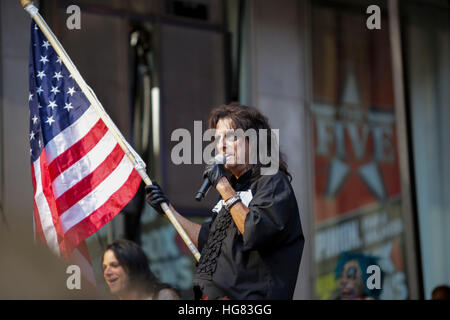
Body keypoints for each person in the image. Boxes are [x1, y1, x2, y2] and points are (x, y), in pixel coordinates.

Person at [146, 103, 305, 300]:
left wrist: (222, 185)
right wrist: (167, 210)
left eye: (230, 137)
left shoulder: (272, 181)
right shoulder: (233, 189)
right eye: (217, 139)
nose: (221, 145)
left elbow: (255, 231)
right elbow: (206, 239)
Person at [102, 239, 180, 300]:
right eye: (104, 267)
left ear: (133, 267)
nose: (107, 273)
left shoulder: (163, 296)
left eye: (114, 265)